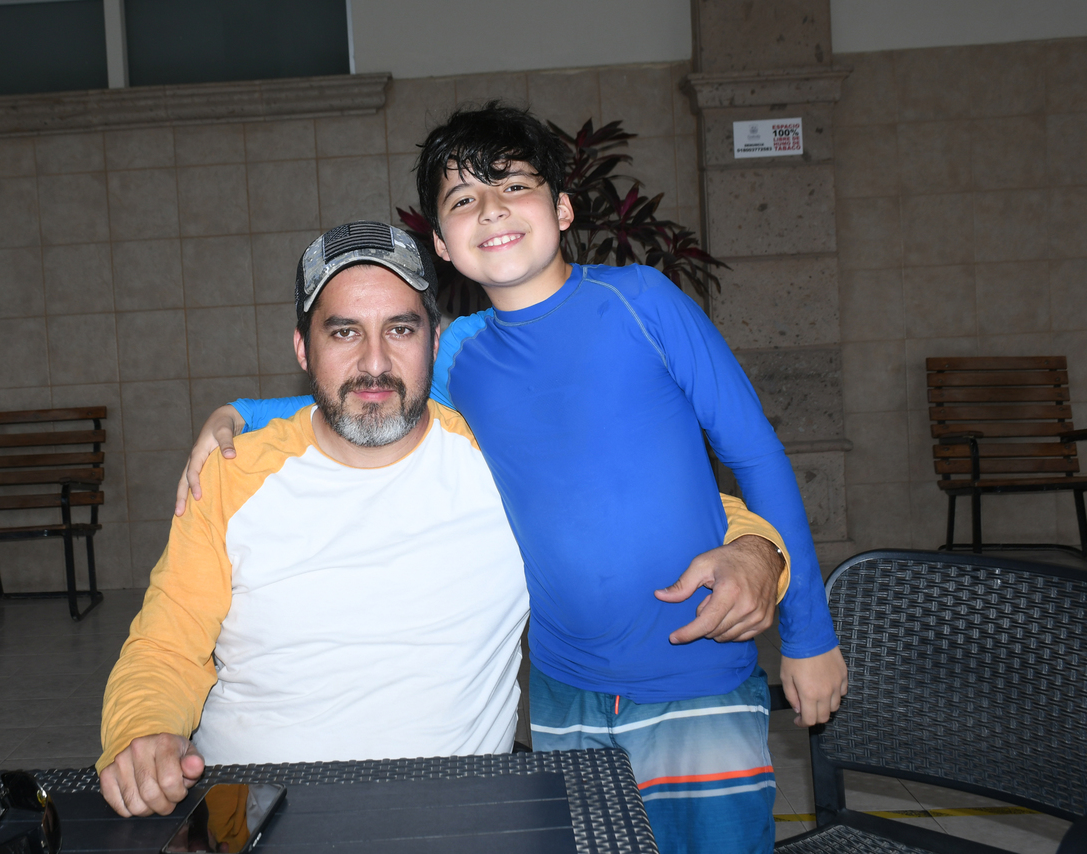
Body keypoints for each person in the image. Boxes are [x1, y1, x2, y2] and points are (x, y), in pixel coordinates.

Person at [180, 104, 848, 854]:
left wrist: (809, 635)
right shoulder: (460, 353)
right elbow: (371, 393)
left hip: (694, 669)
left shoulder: (645, 302)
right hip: (563, 691)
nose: (491, 210)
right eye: (464, 198)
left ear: (562, 209)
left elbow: (756, 457)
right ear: (441, 243)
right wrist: (240, 412)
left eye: (515, 187)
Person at [98, 222, 791, 820]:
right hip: (254, 809)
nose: (374, 363)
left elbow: (652, 507)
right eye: (344, 332)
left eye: (400, 329)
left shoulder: (496, 455)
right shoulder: (232, 475)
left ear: (435, 340)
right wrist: (143, 730)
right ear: (303, 350)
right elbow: (167, 643)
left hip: (451, 817)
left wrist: (755, 547)